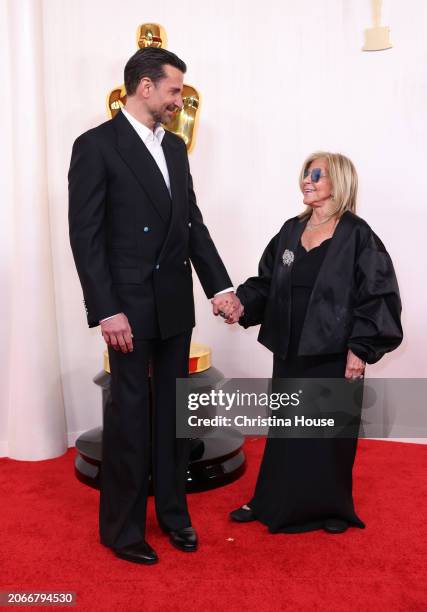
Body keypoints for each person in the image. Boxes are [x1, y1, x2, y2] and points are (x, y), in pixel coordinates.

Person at [68, 47, 241, 564]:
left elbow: (192, 225)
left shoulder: (175, 149)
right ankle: (121, 530)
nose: (178, 99)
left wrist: (220, 288)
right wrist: (106, 309)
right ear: (145, 87)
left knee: (173, 416)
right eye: (172, 89)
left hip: (171, 304)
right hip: (126, 308)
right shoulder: (95, 146)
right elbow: (86, 237)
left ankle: (173, 515)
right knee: (129, 418)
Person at [224, 151, 402, 534]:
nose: (308, 179)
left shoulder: (358, 234)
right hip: (291, 349)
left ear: (338, 182)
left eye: (317, 174)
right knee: (286, 430)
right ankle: (270, 501)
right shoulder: (291, 230)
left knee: (326, 437)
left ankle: (330, 509)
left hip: (335, 353)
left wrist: (361, 348)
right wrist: (241, 303)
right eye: (306, 173)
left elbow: (378, 295)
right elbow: (266, 283)